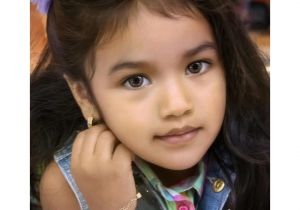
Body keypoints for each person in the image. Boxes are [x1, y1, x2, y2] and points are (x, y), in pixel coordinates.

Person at [30, 0, 270, 210]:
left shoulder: (260, 142)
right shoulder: (66, 187)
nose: (177, 106)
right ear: (85, 96)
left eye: (196, 66)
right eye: (136, 81)